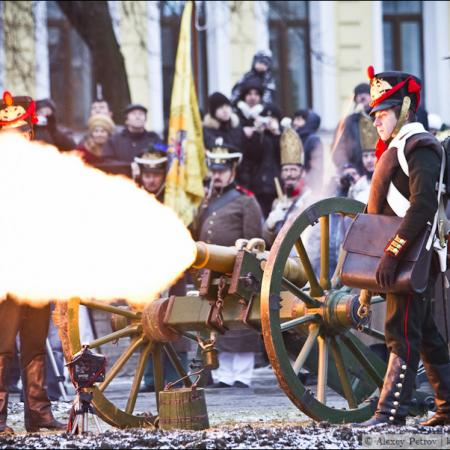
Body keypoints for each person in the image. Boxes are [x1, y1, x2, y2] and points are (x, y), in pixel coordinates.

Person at [356, 67, 450, 427]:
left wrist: (393, 251)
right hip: (399, 257)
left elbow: (423, 207)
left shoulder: (419, 146)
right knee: (426, 336)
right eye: (376, 114)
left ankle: (389, 413)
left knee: (401, 333)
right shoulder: (397, 148)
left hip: (411, 257)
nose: (377, 121)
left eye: (382, 113)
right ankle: (447, 408)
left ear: (405, 107)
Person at [0, 91, 65, 434]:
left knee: (36, 344)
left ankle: (38, 412)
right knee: (3, 345)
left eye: (20, 132)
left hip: (39, 268)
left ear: (29, 133)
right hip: (7, 272)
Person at [192, 139, 263, 388]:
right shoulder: (207, 201)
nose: (217, 175)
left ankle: (242, 375)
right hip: (211, 274)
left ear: (233, 171)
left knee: (240, 323)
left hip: (236, 271)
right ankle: (223, 375)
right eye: (215, 171)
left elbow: (255, 239)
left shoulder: (246, 201)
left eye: (222, 171)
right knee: (218, 321)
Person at [132, 146, 191, 391]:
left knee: (174, 321)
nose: (152, 179)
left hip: (173, 272)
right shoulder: (134, 198)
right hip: (143, 273)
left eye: (156, 175)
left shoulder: (175, 200)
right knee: (142, 325)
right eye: (147, 174)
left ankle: (176, 375)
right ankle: (149, 377)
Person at [263, 126, 313, 246]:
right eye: (285, 170)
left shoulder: (311, 198)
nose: (289, 174)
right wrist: (270, 226)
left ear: (303, 173)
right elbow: (271, 243)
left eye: (293, 169)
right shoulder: (277, 203)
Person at [240, 103, 282, 217]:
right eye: (266, 119)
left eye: (272, 119)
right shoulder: (259, 136)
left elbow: (283, 157)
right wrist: (257, 133)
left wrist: (277, 134)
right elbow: (251, 156)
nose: (268, 122)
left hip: (277, 187)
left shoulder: (281, 137)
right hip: (258, 187)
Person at [332, 82, 376, 173]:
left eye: (366, 94)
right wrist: (346, 166)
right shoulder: (348, 122)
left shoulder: (381, 118)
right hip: (357, 171)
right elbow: (338, 148)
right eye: (358, 95)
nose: (362, 98)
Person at [292, 109, 324, 192]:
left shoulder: (313, 139)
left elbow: (316, 168)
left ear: (309, 122)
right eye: (295, 119)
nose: (294, 122)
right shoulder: (297, 138)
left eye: (299, 120)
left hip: (308, 187)